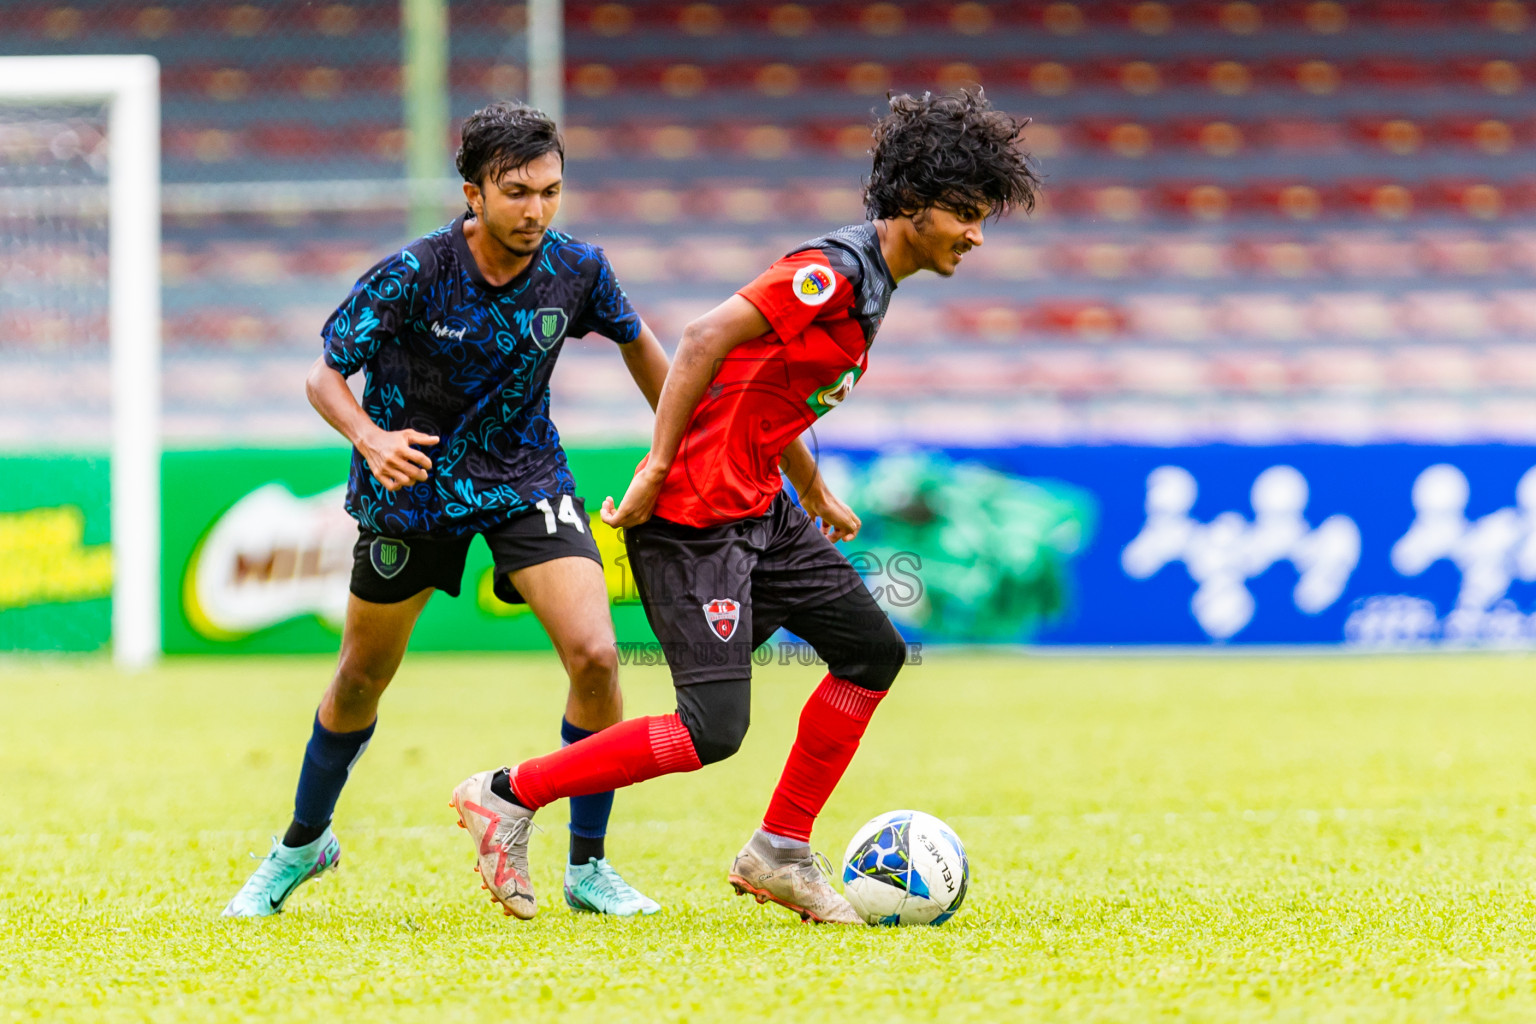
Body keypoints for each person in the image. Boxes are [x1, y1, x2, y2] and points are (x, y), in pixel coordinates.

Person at [450, 89, 1040, 923]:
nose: (977, 234)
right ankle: (507, 793)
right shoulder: (827, 272)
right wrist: (658, 466)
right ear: (915, 206)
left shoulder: (871, 284)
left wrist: (815, 490)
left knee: (871, 653)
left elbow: (766, 392)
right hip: (695, 522)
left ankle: (780, 850)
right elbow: (700, 341)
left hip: (763, 512)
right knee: (711, 729)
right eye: (969, 215)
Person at [224, 101, 671, 919]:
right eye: (516, 192)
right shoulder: (412, 271)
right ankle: (302, 843)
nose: (535, 209)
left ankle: (589, 866)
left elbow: (645, 348)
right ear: (473, 193)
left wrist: (674, 449)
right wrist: (369, 438)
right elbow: (324, 375)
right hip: (411, 487)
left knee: (598, 658)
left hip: (525, 479)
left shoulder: (579, 270)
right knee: (360, 678)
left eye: (550, 190)